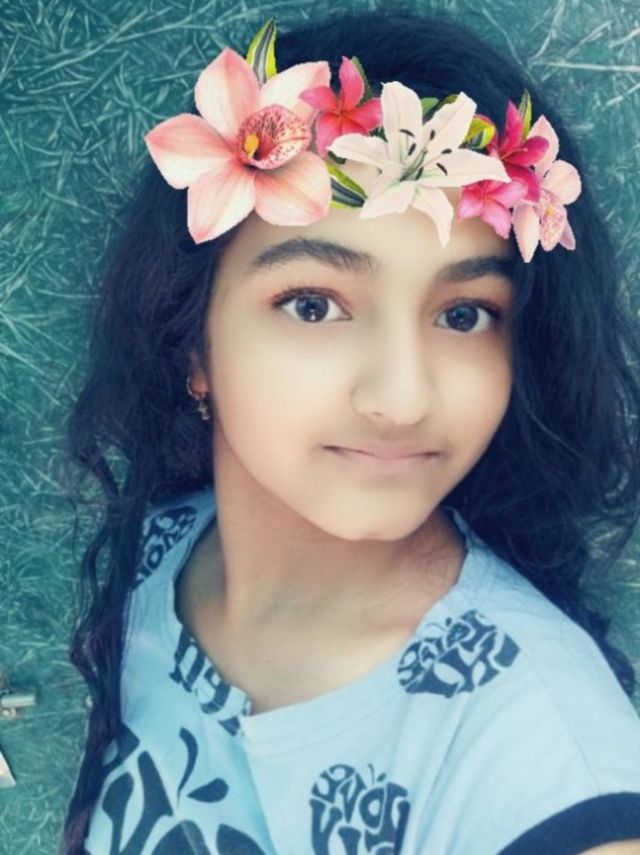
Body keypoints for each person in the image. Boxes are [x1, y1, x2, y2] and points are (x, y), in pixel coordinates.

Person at [59, 9, 640, 855]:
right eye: (312, 304)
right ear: (193, 344)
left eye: (465, 314)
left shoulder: (542, 759)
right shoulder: (161, 550)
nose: (402, 398)